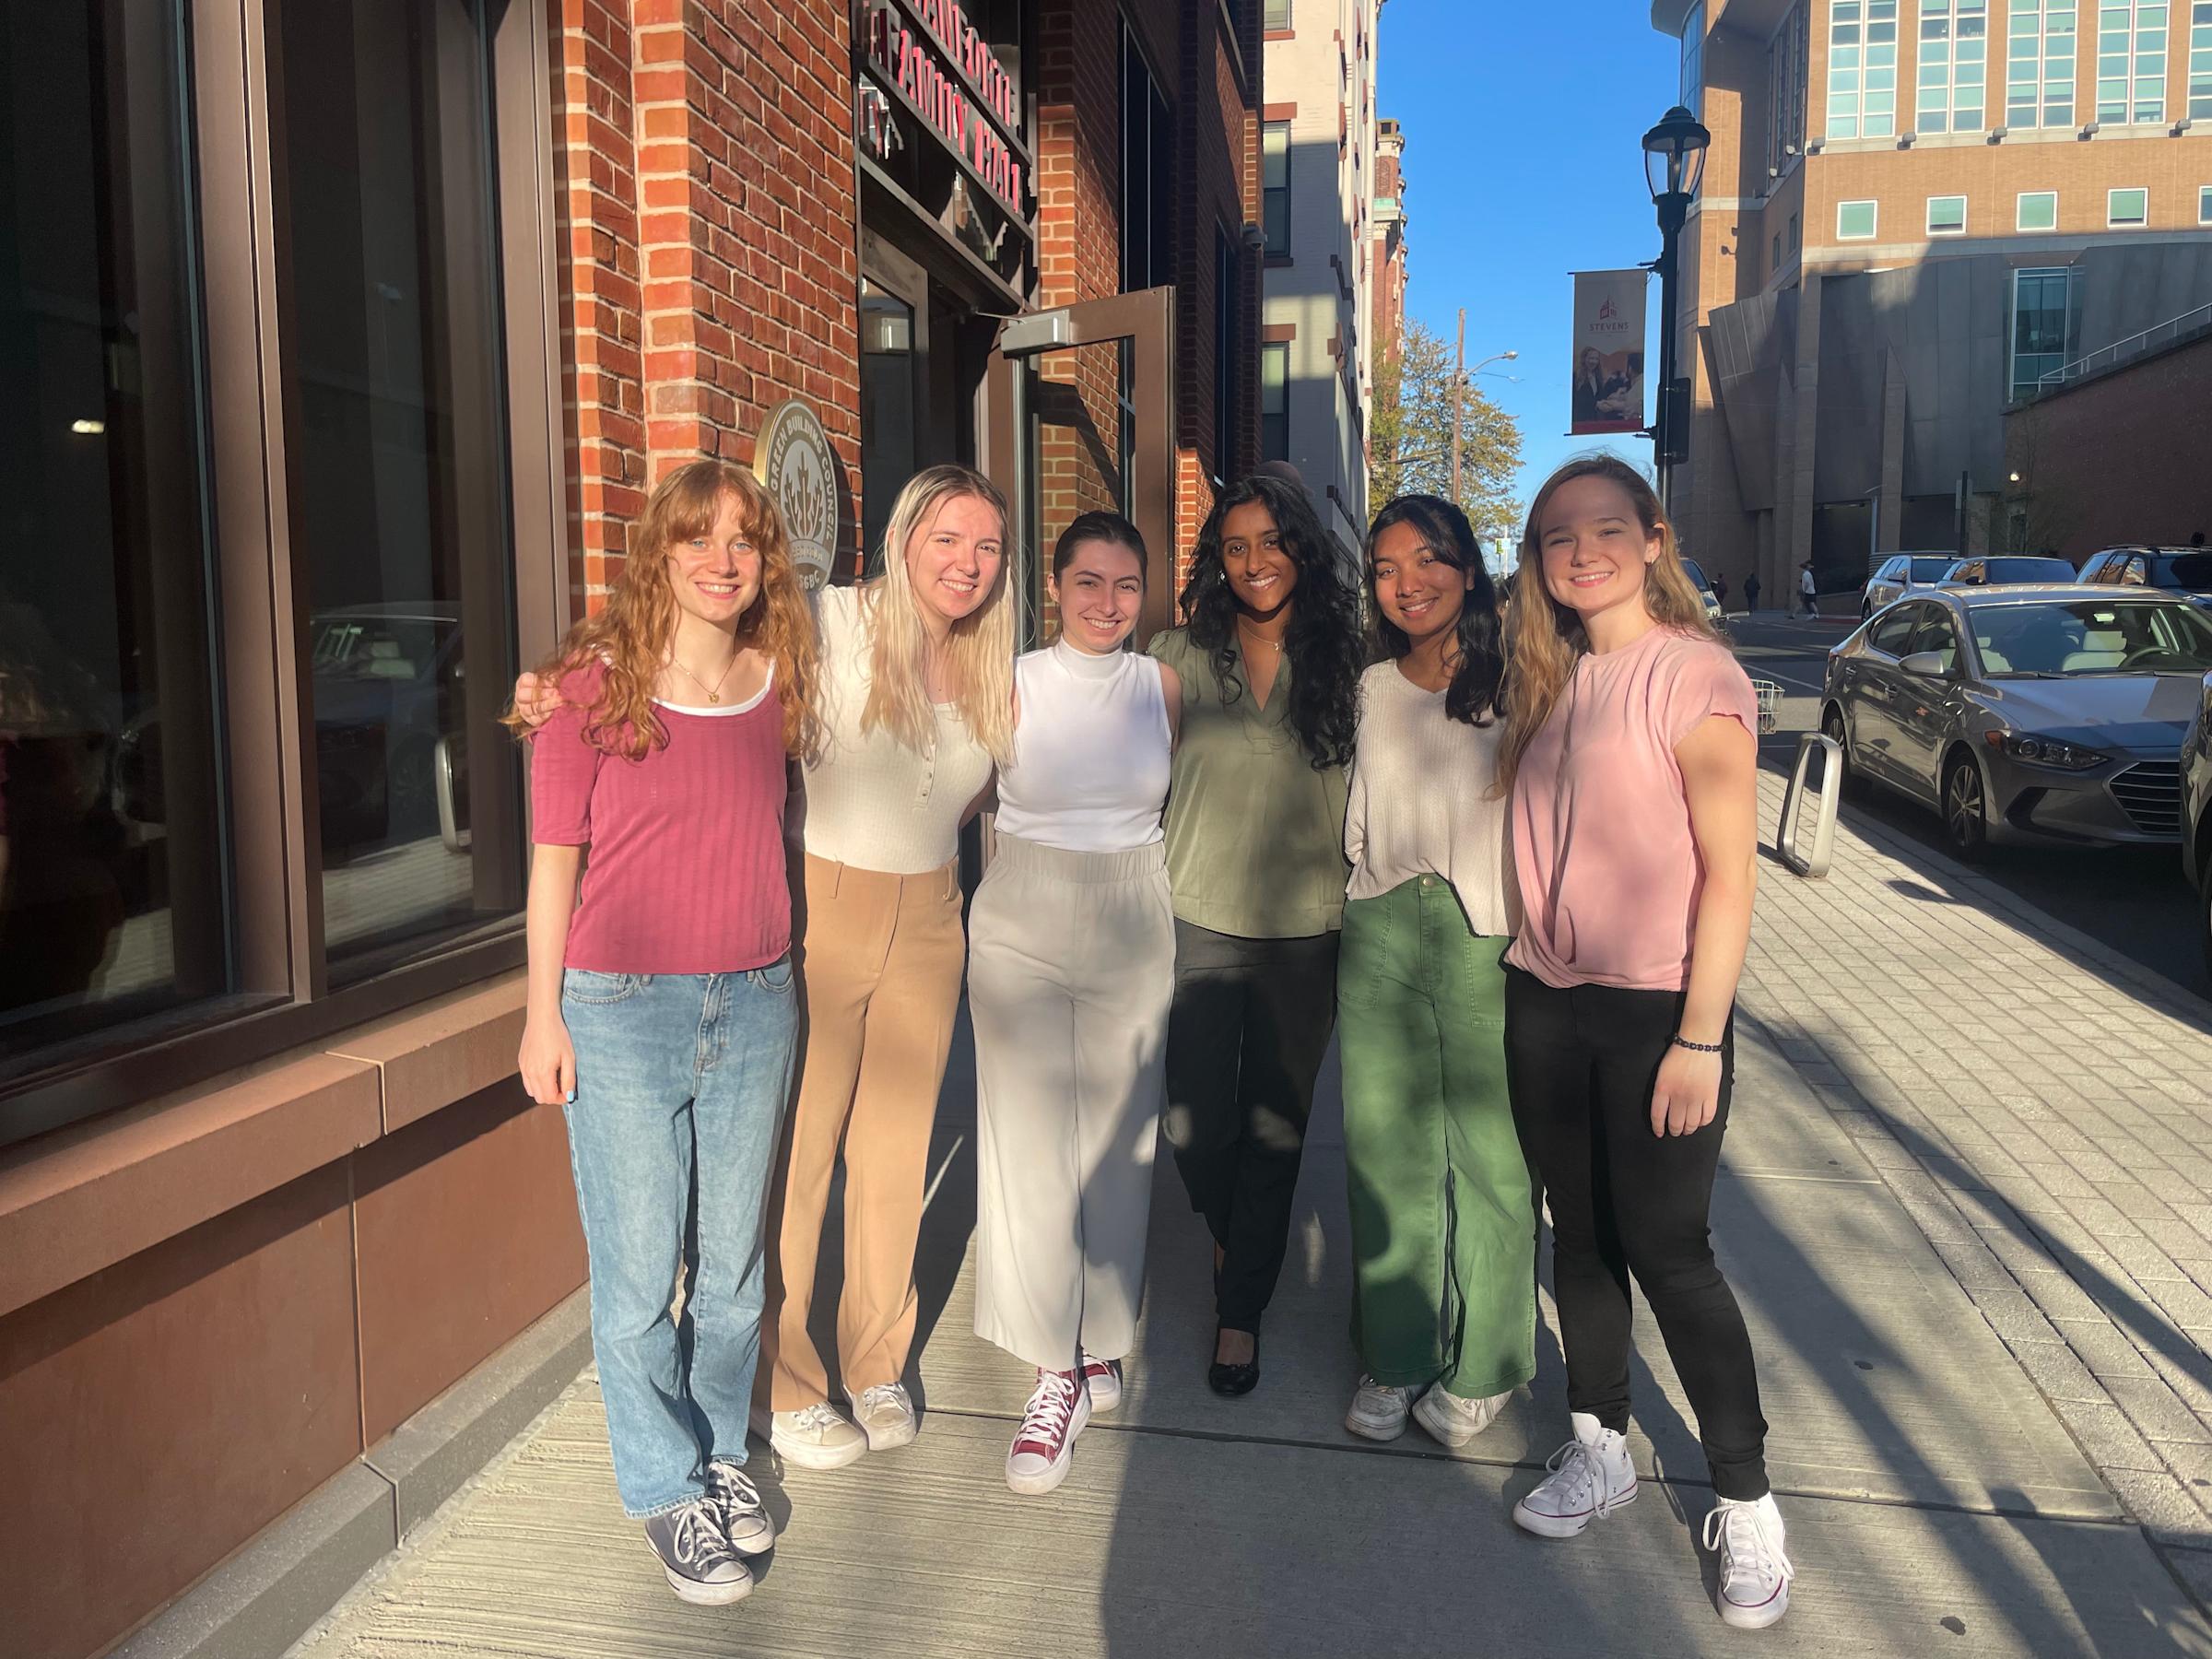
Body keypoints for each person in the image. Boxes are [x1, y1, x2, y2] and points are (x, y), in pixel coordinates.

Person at [512, 463, 1018, 1472]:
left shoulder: (1001, 662)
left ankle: (876, 1359)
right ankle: (781, 1386)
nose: (965, 564)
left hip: (931, 913)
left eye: (988, 547)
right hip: (818, 901)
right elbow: (693, 641)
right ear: (904, 537)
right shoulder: (826, 624)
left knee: (895, 1153)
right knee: (800, 1158)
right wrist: (550, 687)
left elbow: (968, 794)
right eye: (946, 539)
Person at [512, 459, 822, 1605]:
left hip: (754, 1002)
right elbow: (554, 866)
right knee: (641, 1276)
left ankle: (721, 1459)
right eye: (699, 538)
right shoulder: (589, 691)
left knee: (734, 1274)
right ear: (663, 551)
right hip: (621, 1012)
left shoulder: (778, 679)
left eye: (744, 540)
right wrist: (540, 1012)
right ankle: (662, 1485)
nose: (722, 559)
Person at [1499, 454, 1791, 1630]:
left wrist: (1701, 1039)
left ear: (1655, 539)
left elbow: (1731, 878)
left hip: (1657, 1014)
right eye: (1557, 536)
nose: (1581, 551)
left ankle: (1750, 1501)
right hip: (1543, 1001)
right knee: (1578, 1237)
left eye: (1605, 529)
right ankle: (1600, 1444)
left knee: (1673, 1255)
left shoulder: (1697, 676)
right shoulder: (1550, 677)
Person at [969, 512, 1180, 1495]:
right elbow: (945, 783)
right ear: (1055, 588)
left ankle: (1100, 1343)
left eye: (1125, 585)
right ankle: (1054, 1368)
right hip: (1024, 911)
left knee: (1120, 1142)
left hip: (1134, 909)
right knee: (1028, 1143)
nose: (1107, 604)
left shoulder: (1162, 687)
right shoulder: (1006, 681)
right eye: (1088, 582)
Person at [1148, 473, 1364, 1395]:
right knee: (1193, 1121)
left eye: (1272, 542)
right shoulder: (1177, 656)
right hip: (1196, 915)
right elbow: (1128, 777)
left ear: (1302, 549)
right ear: (1216, 561)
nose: (1255, 562)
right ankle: (1240, 1240)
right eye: (1235, 547)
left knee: (1275, 1128)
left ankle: (1240, 1317)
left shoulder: (1352, 663)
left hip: (1306, 929)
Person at [1336, 495, 1535, 1450]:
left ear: (1467, 567)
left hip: (1486, 932)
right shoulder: (1372, 686)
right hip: (1378, 922)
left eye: (1428, 561)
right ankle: (1399, 1349)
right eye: (1386, 567)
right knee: (1384, 1151)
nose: (1407, 583)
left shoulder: (1523, 679)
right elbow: (1363, 812)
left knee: (1491, 1155)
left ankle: (1489, 1360)